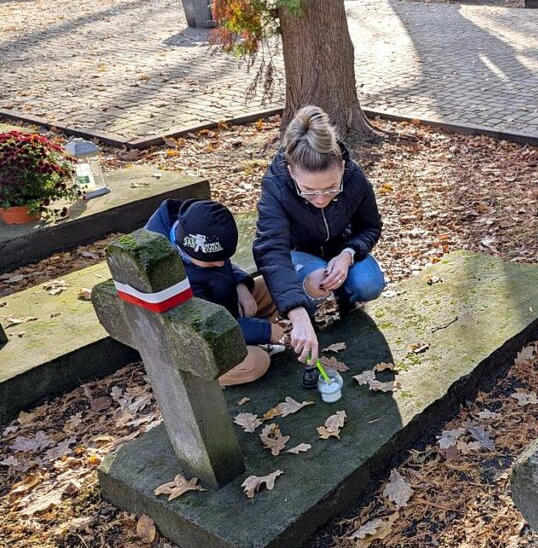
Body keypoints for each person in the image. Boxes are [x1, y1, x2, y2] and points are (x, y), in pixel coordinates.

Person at [254, 106, 386, 364]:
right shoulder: (276, 184)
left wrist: (348, 254)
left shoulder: (355, 177)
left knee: (369, 283)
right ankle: (310, 311)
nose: (321, 199)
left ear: (343, 166)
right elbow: (270, 248)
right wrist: (297, 311)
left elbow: (370, 226)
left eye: (330, 188)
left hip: (341, 248)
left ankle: (347, 302)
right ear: (292, 173)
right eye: (309, 191)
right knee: (316, 281)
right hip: (298, 253)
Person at [145, 198, 285, 386]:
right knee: (256, 363)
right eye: (212, 261)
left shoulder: (197, 235)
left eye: (224, 258)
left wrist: (240, 285)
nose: (220, 264)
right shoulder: (167, 274)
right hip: (199, 339)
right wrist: (265, 331)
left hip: (225, 308)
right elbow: (206, 327)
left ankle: (249, 340)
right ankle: (205, 376)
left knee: (274, 284)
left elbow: (223, 265)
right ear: (190, 250)